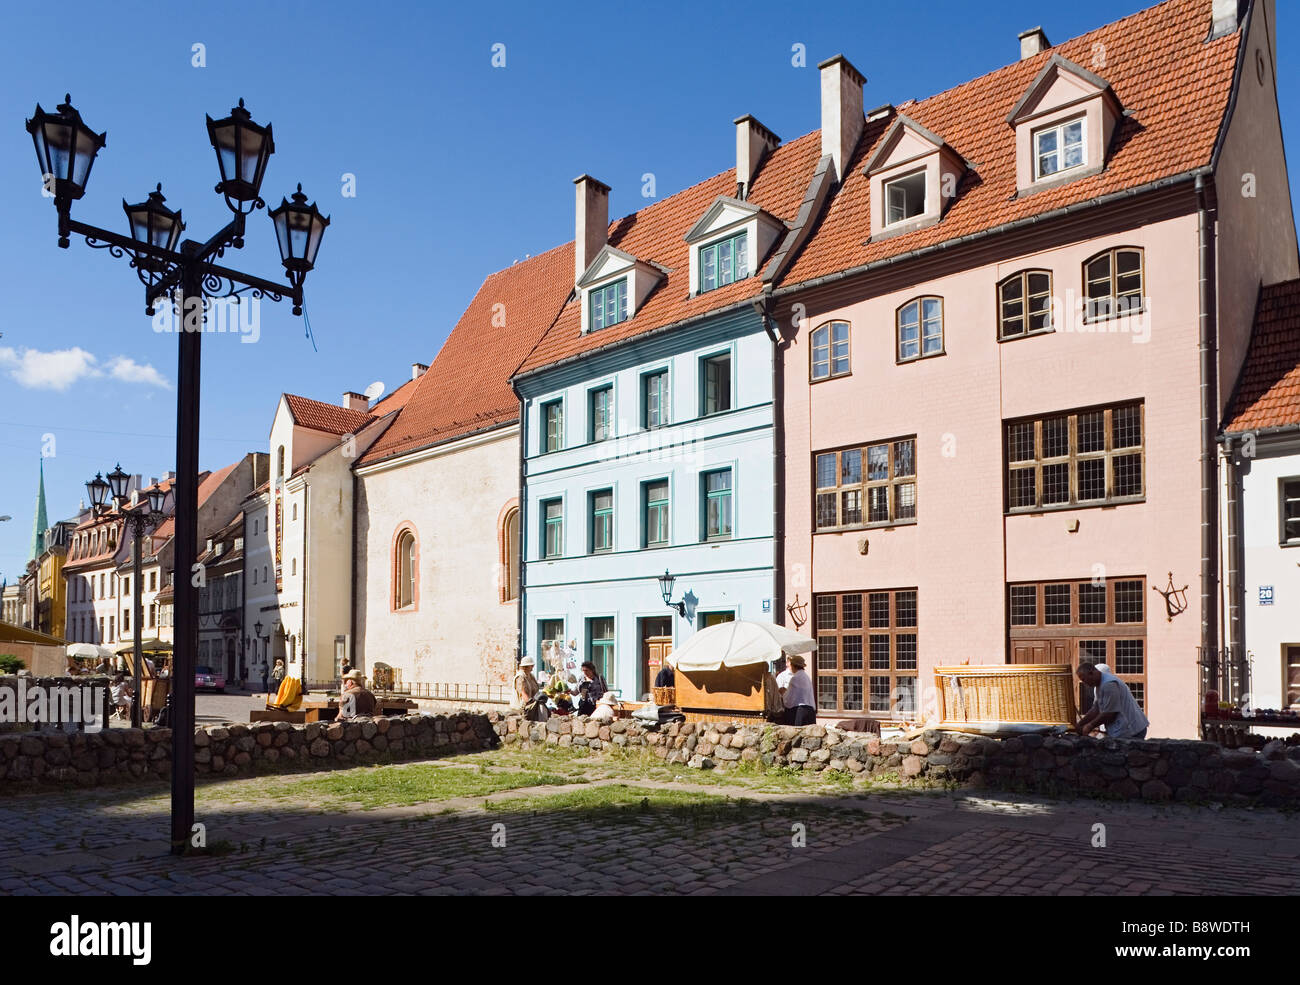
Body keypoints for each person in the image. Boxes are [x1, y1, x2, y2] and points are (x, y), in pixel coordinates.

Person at [1076, 663, 1149, 740]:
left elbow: (1110, 713)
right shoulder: (1099, 685)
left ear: (1091, 673)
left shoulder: (1108, 684)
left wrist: (1089, 726)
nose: (1084, 683)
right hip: (1123, 730)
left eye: (1084, 679)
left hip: (1132, 730)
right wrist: (1081, 724)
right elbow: (1096, 709)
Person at [781, 654, 816, 726]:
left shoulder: (795, 678)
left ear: (793, 666)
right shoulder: (806, 677)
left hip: (800, 711)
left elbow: (789, 700)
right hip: (810, 711)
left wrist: (783, 693)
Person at [516, 657, 549, 722]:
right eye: (531, 666)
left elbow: (536, 690)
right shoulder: (520, 677)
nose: (532, 667)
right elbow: (523, 692)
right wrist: (531, 703)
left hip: (533, 702)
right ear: (526, 666)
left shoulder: (531, 676)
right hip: (525, 705)